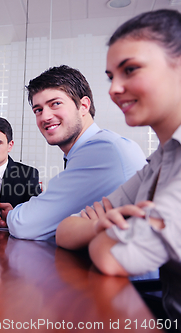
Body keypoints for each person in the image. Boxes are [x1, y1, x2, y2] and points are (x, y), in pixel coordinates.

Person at [56, 9, 181, 277]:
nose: (113, 89)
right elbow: (64, 231)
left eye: (130, 69)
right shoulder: (161, 160)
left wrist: (100, 232)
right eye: (111, 77)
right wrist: (98, 228)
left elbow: (115, 258)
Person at [0, 65, 146, 240]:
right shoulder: (94, 148)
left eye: (55, 104)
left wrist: (11, 216)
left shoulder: (103, 150)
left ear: (84, 105)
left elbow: (26, 224)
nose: (45, 117)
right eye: (38, 110)